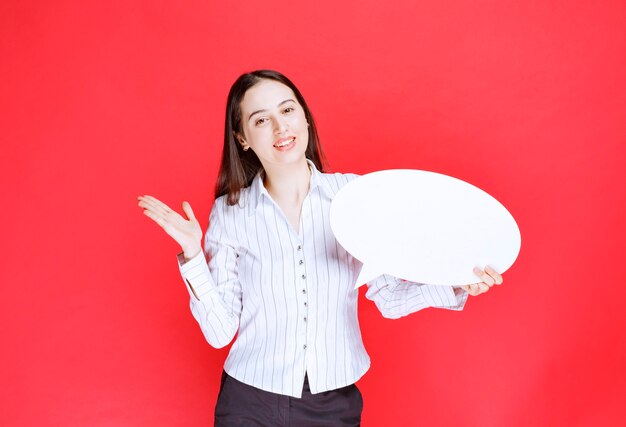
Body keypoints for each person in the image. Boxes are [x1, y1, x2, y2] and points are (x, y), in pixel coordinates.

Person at [137, 69, 504, 426]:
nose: (281, 128)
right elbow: (219, 333)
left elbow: (389, 299)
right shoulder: (231, 213)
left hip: (332, 405)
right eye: (261, 120)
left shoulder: (354, 197)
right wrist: (191, 253)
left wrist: (456, 282)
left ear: (305, 118)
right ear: (243, 137)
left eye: (287, 109)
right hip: (249, 401)